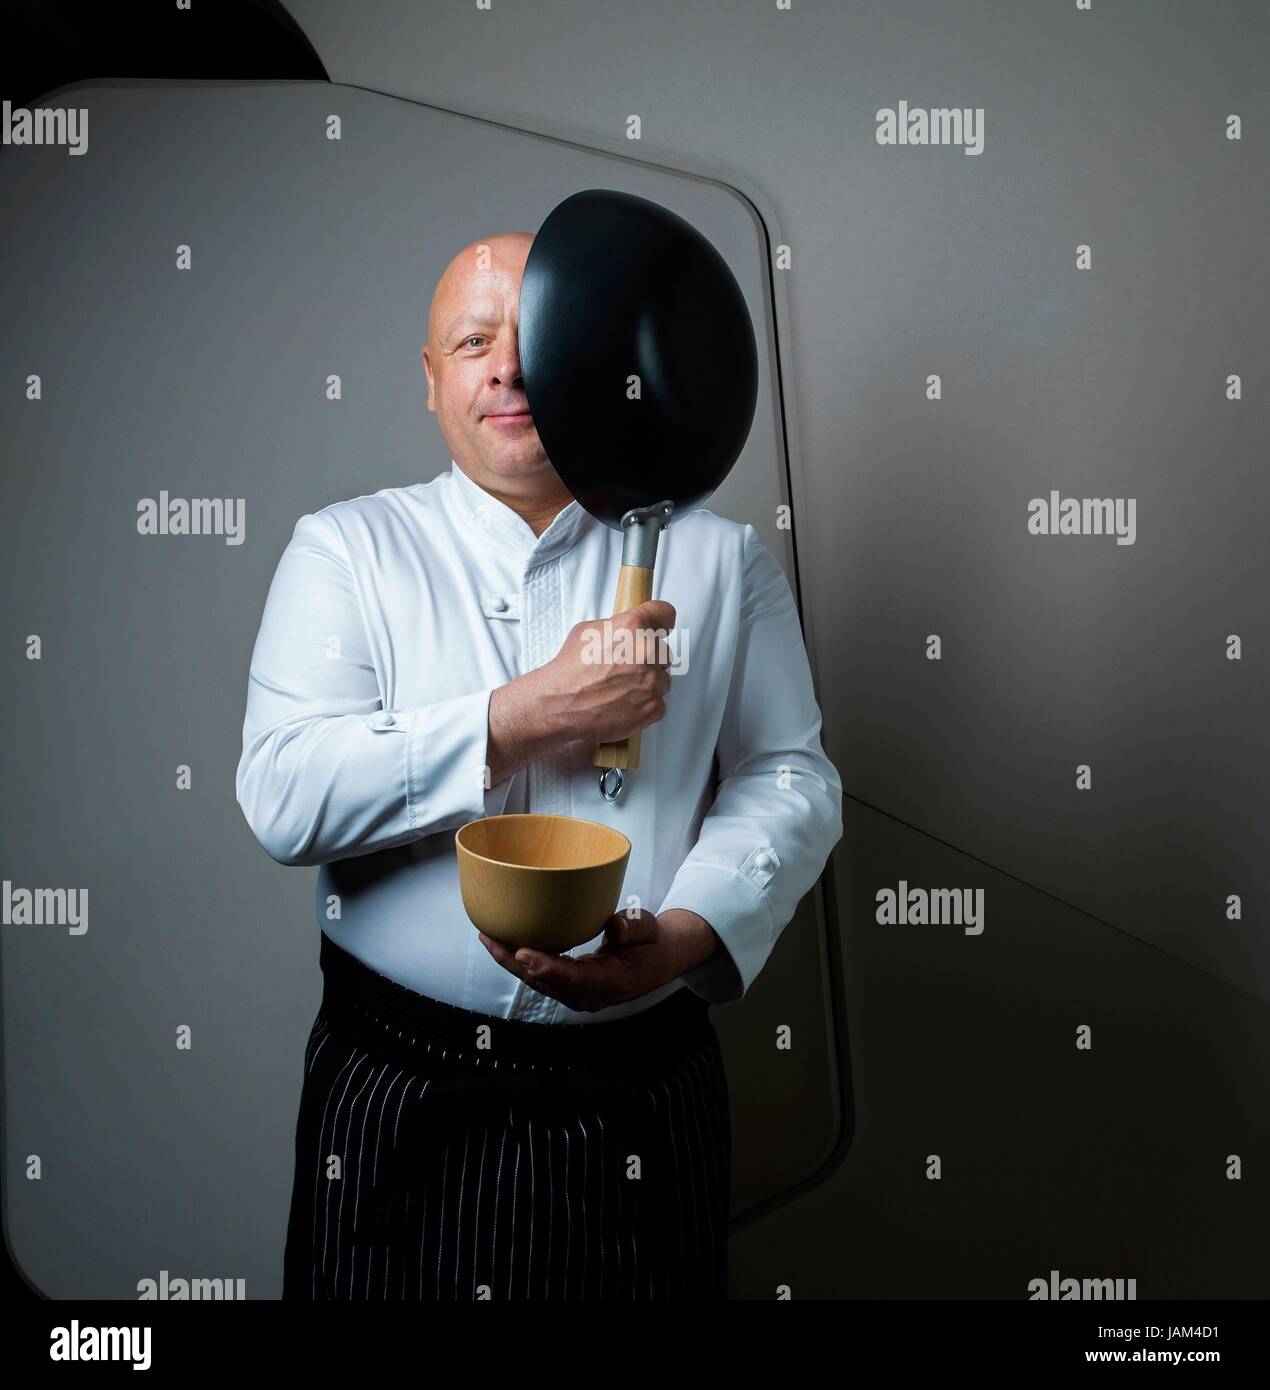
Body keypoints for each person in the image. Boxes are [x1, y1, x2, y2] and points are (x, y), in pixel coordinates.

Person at [235, 231, 843, 1300]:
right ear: (432, 380)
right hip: (395, 1094)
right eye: (474, 342)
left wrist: (686, 938)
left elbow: (790, 781)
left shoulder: (716, 557)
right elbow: (284, 795)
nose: (507, 368)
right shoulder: (344, 550)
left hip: (640, 1094)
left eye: (534, 339)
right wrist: (525, 715)